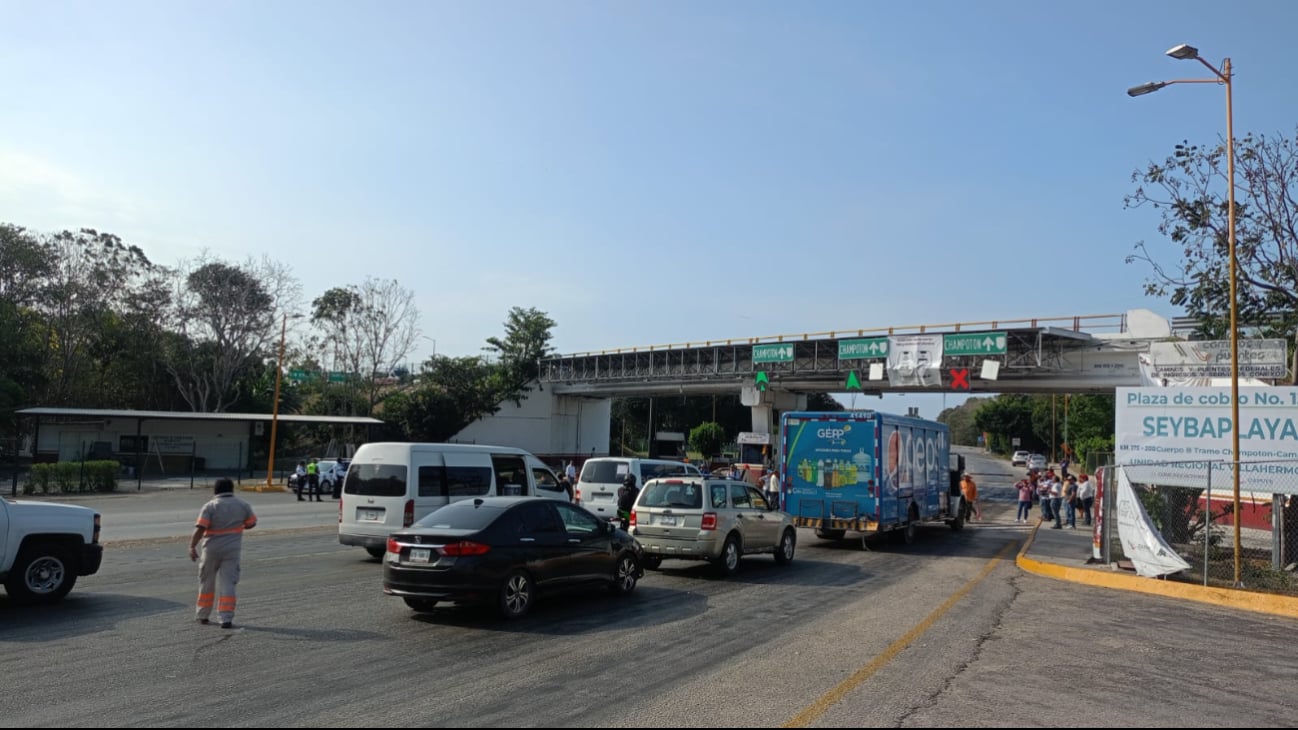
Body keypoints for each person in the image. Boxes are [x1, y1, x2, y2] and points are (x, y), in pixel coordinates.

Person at [189, 477, 257, 629]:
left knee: (206, 582)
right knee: (228, 583)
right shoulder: (242, 505)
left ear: (215, 490)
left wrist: (192, 546)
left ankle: (203, 615)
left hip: (211, 549)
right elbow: (251, 523)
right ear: (231, 489)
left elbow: (200, 528)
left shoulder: (210, 506)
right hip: (232, 549)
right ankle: (226, 618)